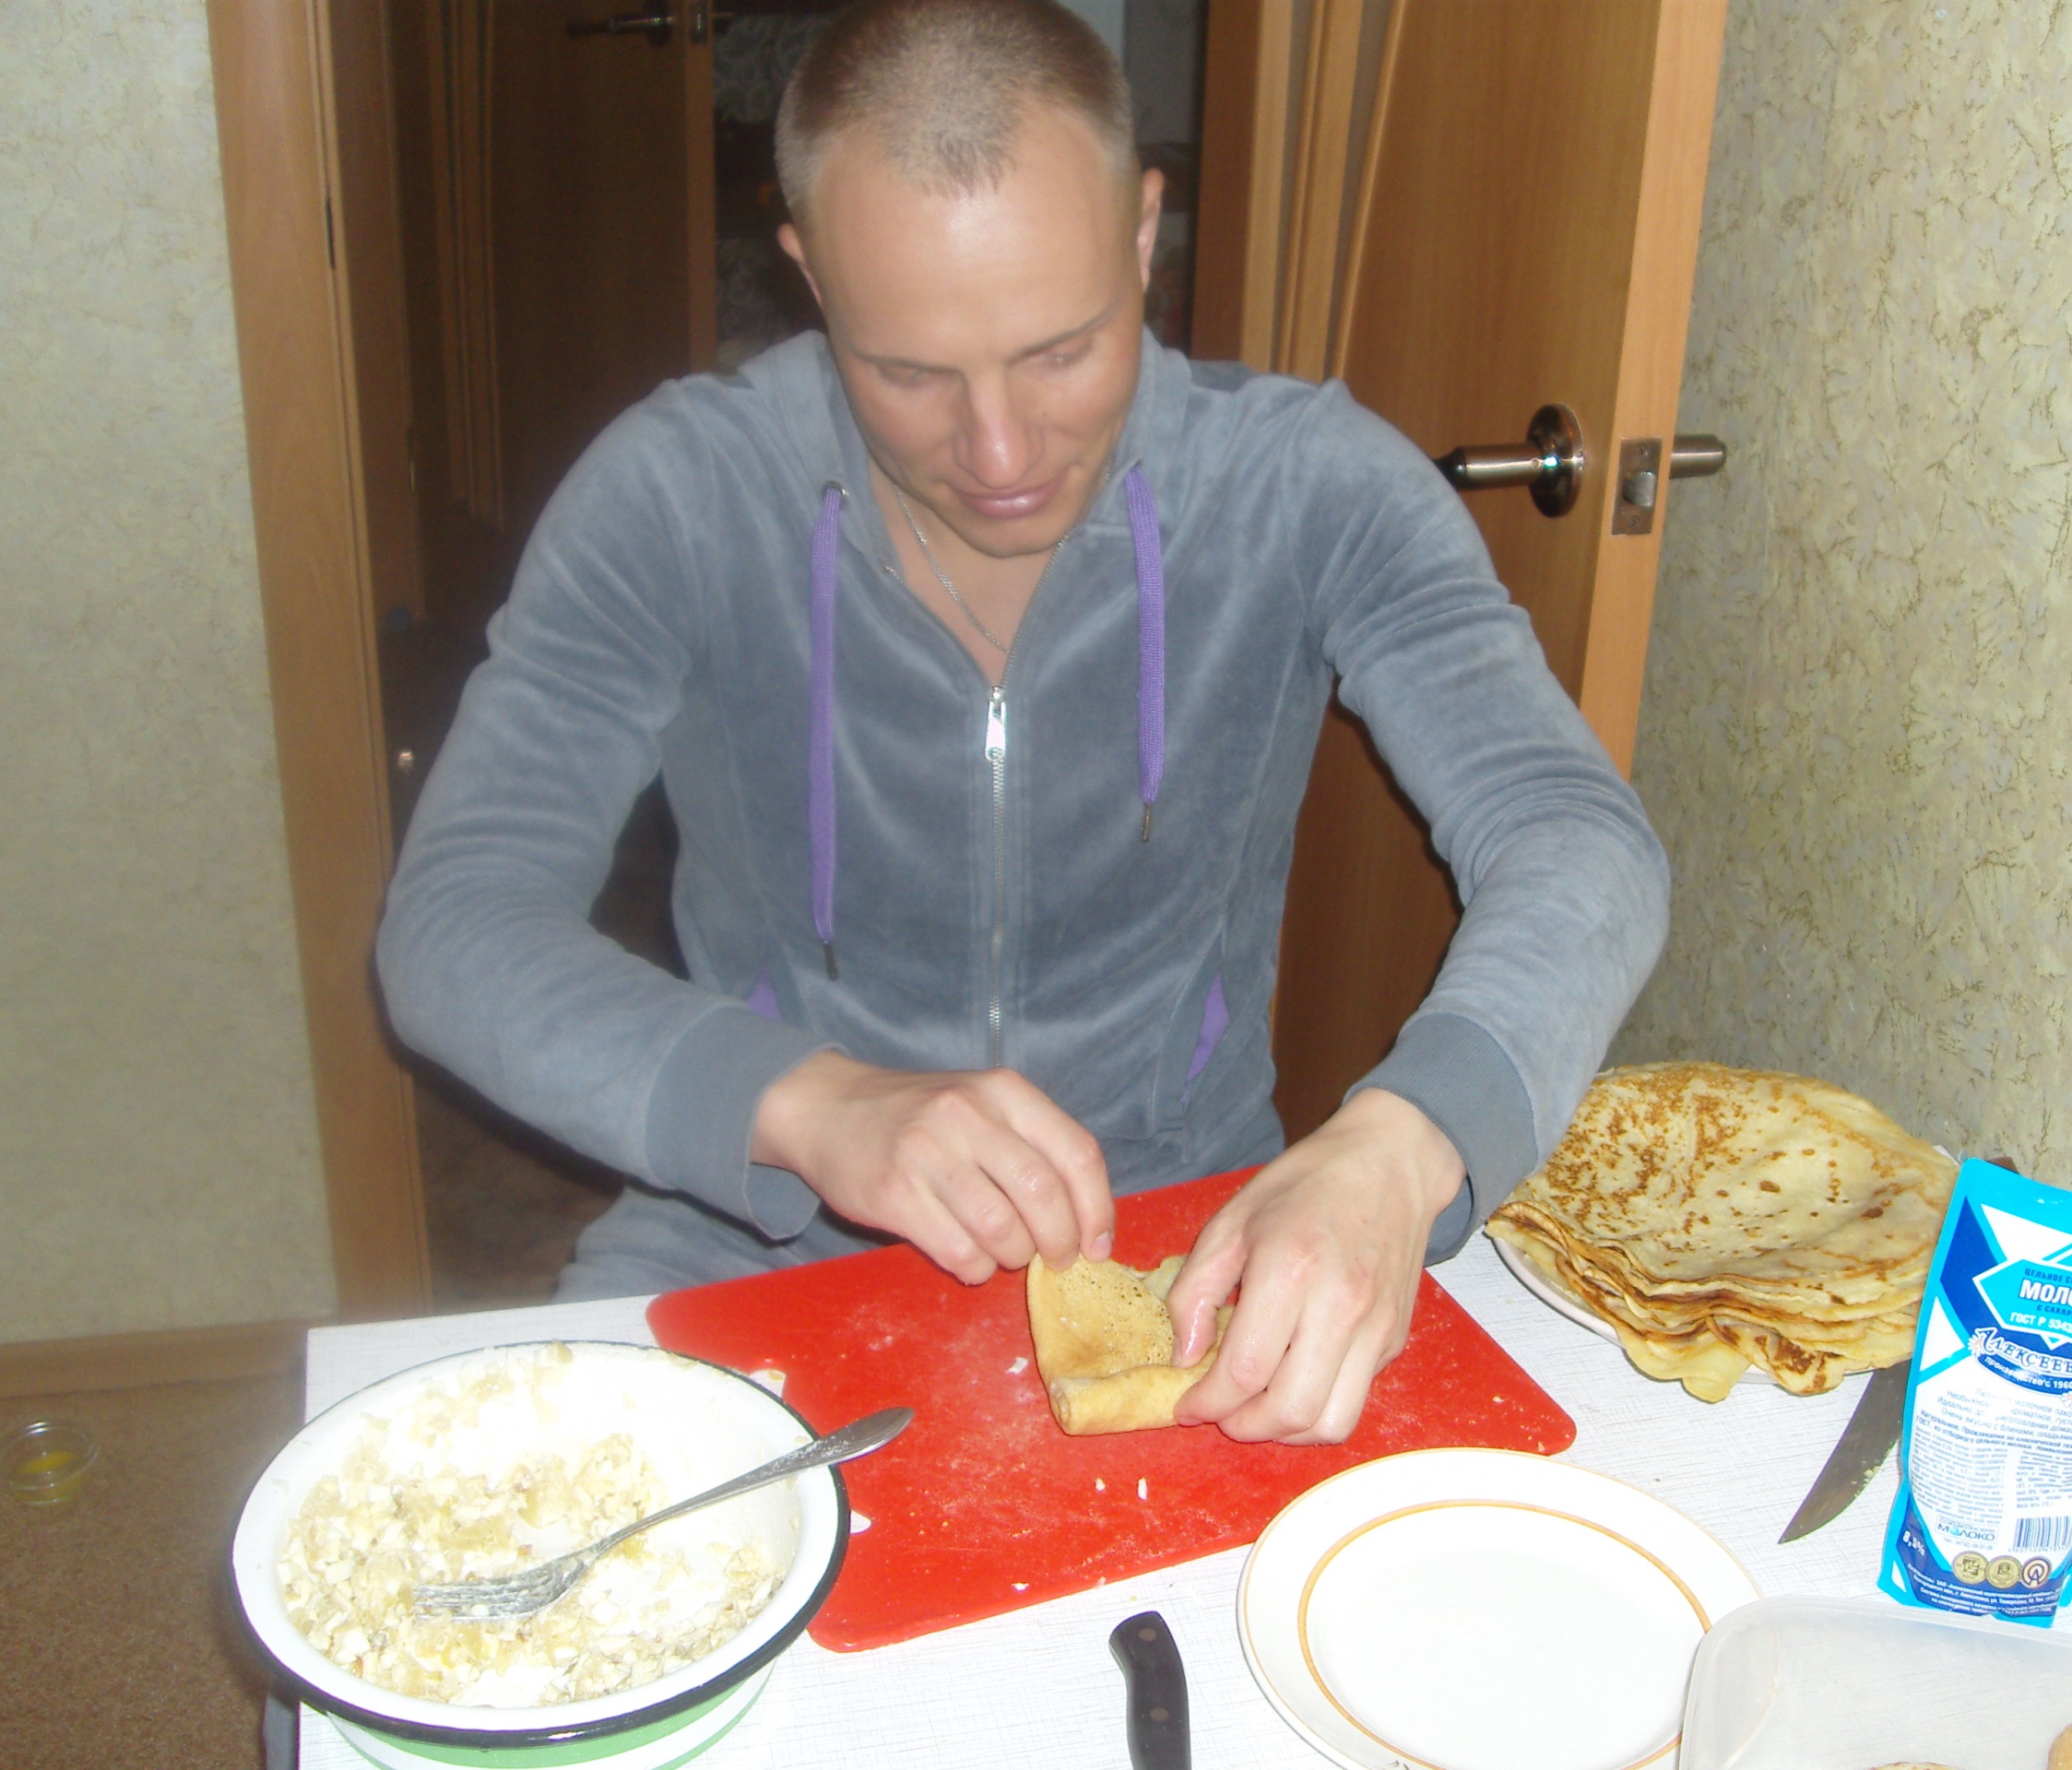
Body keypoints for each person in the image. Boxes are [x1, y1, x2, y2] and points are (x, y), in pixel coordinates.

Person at [377, 0, 1669, 1446]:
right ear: (809, 275)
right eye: (909, 372)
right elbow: (453, 927)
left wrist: (1405, 1139)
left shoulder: (1310, 487)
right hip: (748, 1234)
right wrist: (805, 1103)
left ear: (1143, 235)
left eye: (1062, 351)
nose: (998, 453)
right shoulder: (677, 496)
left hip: (1185, 1254)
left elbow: (1580, 840)